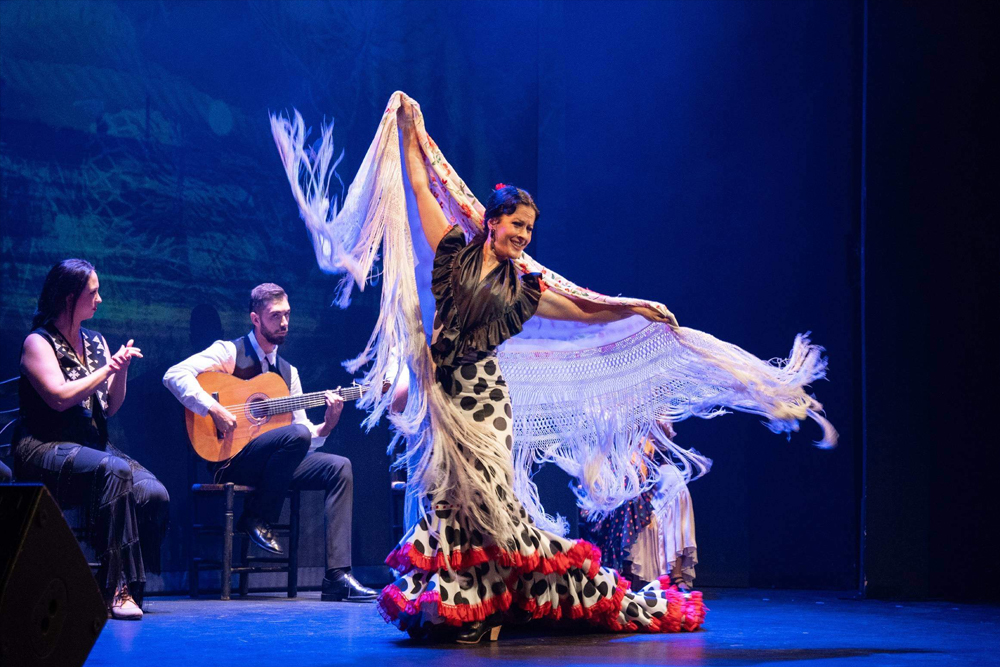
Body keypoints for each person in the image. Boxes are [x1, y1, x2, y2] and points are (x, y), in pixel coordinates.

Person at [270, 91, 834, 642]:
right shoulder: (451, 250)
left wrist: (634, 307)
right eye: (515, 224)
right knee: (452, 502)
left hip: (485, 400)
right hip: (448, 396)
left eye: (529, 230)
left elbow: (585, 309)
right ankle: (468, 599)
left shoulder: (526, 289)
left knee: (487, 501)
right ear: (491, 221)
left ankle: (488, 602)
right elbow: (420, 187)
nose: (521, 235)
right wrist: (410, 131)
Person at [162, 283, 377, 602]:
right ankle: (257, 517)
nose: (284, 323)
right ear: (255, 319)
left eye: (288, 315)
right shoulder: (229, 352)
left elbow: (303, 434)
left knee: (338, 467)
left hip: (275, 466)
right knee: (297, 436)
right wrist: (214, 408)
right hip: (233, 460)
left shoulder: (289, 373)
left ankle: (336, 577)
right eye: (276, 316)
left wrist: (327, 425)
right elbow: (174, 375)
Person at [13, 259, 169, 621]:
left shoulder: (95, 341)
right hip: (44, 445)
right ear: (69, 299)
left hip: (91, 445)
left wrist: (121, 371)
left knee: (154, 493)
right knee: (115, 472)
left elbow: (110, 408)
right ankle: (115, 588)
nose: (99, 299)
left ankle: (134, 586)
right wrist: (106, 370)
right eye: (93, 292)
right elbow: (59, 396)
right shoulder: (38, 342)